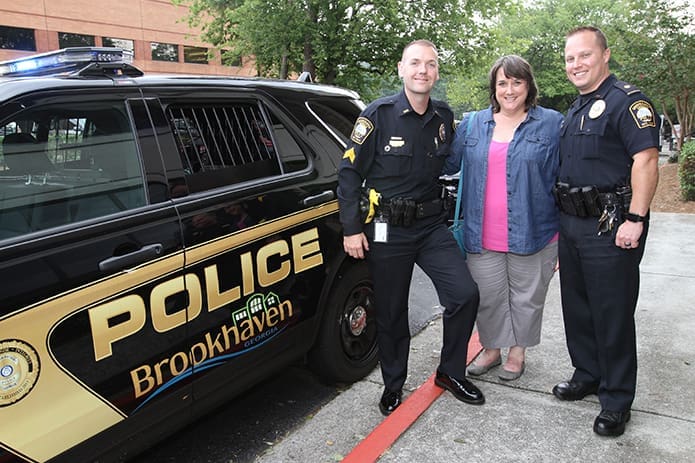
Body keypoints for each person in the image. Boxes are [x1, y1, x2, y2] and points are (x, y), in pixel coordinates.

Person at [337, 39, 484, 416]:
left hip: (431, 226)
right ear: (402, 69)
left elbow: (453, 163)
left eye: (430, 64)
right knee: (390, 310)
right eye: (415, 63)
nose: (423, 70)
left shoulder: (444, 118)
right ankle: (392, 384)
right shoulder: (378, 115)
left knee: (464, 294)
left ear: (436, 72)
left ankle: (450, 372)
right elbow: (349, 173)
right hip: (388, 229)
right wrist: (352, 228)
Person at [553, 26, 659, 437]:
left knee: (611, 313)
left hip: (612, 224)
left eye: (584, 55)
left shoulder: (626, 102)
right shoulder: (576, 108)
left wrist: (636, 218)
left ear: (605, 56)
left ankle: (616, 399)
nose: (576, 64)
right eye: (569, 58)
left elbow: (646, 161)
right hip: (573, 223)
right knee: (577, 308)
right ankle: (588, 373)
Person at [445, 55, 563, 381]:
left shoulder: (552, 124)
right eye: (502, 83)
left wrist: (568, 236)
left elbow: (565, 179)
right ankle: (492, 349)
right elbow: (446, 164)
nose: (509, 90)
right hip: (482, 232)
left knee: (527, 297)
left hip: (535, 230)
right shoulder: (473, 124)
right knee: (489, 297)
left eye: (516, 82)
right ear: (493, 88)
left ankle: (517, 353)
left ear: (529, 86)